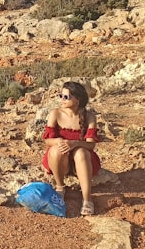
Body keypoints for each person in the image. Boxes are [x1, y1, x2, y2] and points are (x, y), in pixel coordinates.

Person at [42, 80, 101, 216]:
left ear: (77, 99)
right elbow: (47, 140)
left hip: (82, 161)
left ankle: (87, 198)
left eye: (66, 97)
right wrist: (58, 140)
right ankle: (60, 187)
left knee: (80, 152)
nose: (62, 100)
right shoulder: (55, 113)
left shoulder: (89, 117)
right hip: (60, 160)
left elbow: (91, 145)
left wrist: (74, 143)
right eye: (60, 96)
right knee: (56, 149)